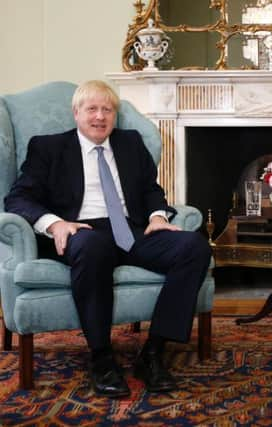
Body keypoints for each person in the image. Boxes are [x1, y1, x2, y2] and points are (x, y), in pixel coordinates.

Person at [4, 80, 212, 398]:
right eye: (92, 109)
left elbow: (150, 191)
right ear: (76, 113)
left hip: (131, 231)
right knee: (93, 246)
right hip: (80, 231)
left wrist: (157, 218)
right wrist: (56, 224)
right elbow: (18, 198)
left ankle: (153, 352)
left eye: (107, 109)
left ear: (114, 115)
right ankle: (101, 358)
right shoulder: (48, 147)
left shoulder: (130, 143)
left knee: (193, 246)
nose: (100, 117)